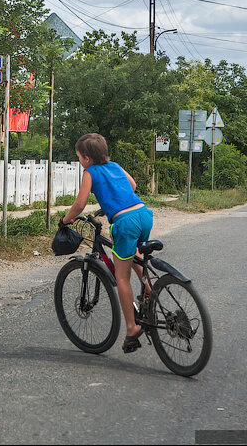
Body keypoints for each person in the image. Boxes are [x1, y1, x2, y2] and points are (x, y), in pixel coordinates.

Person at [60, 133, 154, 353]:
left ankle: (131, 329)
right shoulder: (115, 165)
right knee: (133, 255)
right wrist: (115, 200)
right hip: (143, 214)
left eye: (79, 157)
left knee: (121, 277)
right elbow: (132, 184)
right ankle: (150, 292)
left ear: (86, 158)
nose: (80, 161)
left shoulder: (89, 172)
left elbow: (80, 203)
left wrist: (65, 220)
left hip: (124, 221)